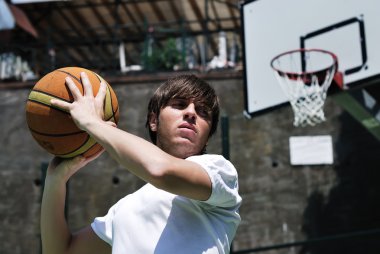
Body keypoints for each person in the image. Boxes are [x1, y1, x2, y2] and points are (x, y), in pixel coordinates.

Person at [41, 73, 242, 254]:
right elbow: (61, 251)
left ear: (207, 137)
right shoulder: (122, 210)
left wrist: (92, 123)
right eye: (179, 104)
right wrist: (54, 182)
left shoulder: (219, 172)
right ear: (153, 121)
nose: (191, 113)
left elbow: (161, 170)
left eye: (203, 112)